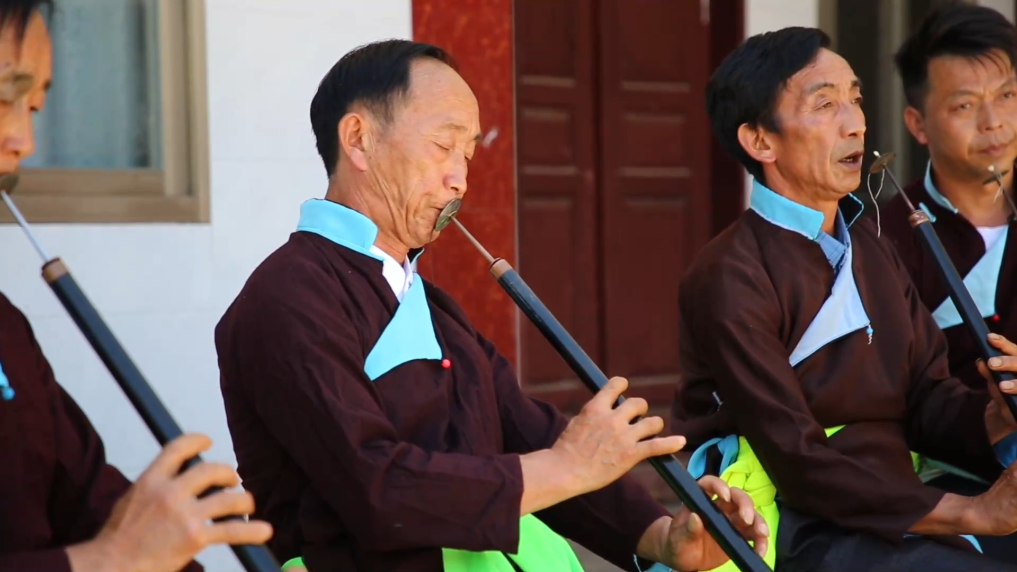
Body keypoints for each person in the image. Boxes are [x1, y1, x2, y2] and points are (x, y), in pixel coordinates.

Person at [214, 39, 767, 572]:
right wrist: (565, 466)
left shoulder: (432, 306)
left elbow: (530, 433)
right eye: (442, 145)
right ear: (358, 139)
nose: (460, 178)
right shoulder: (286, 297)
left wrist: (662, 536)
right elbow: (376, 489)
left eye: (469, 153)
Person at [669, 25, 1017, 572]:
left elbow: (927, 398)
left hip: (889, 510)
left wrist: (996, 416)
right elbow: (795, 457)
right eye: (825, 104)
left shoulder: (873, 249)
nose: (855, 122)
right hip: (791, 525)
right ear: (761, 141)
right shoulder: (729, 273)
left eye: (855, 99)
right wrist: (970, 512)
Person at [0, 2, 273, 571]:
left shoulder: (7, 329)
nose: (24, 140)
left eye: (35, 106)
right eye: (5, 97)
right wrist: (111, 559)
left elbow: (87, 496)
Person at [882, 1, 1017, 395]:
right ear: (917, 124)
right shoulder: (887, 239)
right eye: (965, 105)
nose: (993, 121)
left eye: (1007, 95)